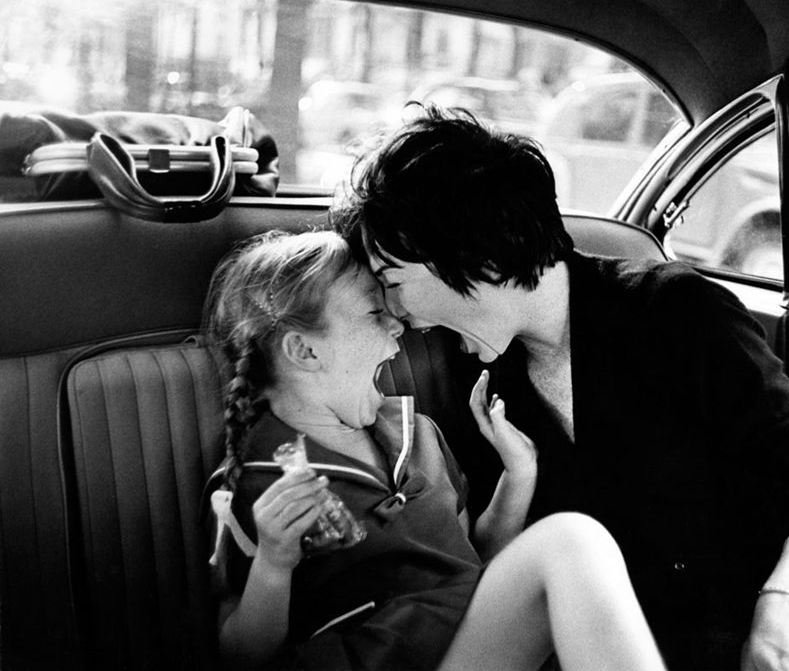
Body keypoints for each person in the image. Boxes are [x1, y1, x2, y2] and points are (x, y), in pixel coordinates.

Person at [332, 106, 789, 671]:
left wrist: (785, 610)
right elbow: (495, 572)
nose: (396, 314)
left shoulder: (677, 313)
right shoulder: (475, 374)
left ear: (470, 252)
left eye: (393, 281)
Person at [202, 228, 666, 671]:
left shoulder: (418, 435)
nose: (397, 325)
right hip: (375, 655)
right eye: (373, 312)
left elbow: (473, 564)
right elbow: (241, 657)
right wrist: (274, 563)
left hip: (461, 640)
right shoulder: (253, 485)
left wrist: (519, 475)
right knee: (570, 541)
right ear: (305, 352)